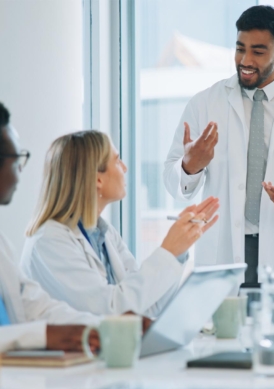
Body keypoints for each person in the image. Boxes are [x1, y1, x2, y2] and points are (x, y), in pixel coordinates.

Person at [163, 5, 274, 283]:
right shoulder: (205, 104)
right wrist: (190, 167)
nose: (245, 60)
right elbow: (173, 182)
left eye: (258, 52)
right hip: (222, 249)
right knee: (224, 326)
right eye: (240, 48)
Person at [21, 130, 219, 317]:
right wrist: (168, 250)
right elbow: (111, 311)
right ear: (98, 179)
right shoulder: (49, 242)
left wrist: (179, 250)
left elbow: (148, 306)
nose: (124, 168)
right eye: (117, 161)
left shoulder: (104, 234)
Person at [0, 102, 101, 352]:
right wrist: (41, 336)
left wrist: (106, 327)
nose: (21, 168)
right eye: (16, 158)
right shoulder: (48, 238)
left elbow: (35, 305)